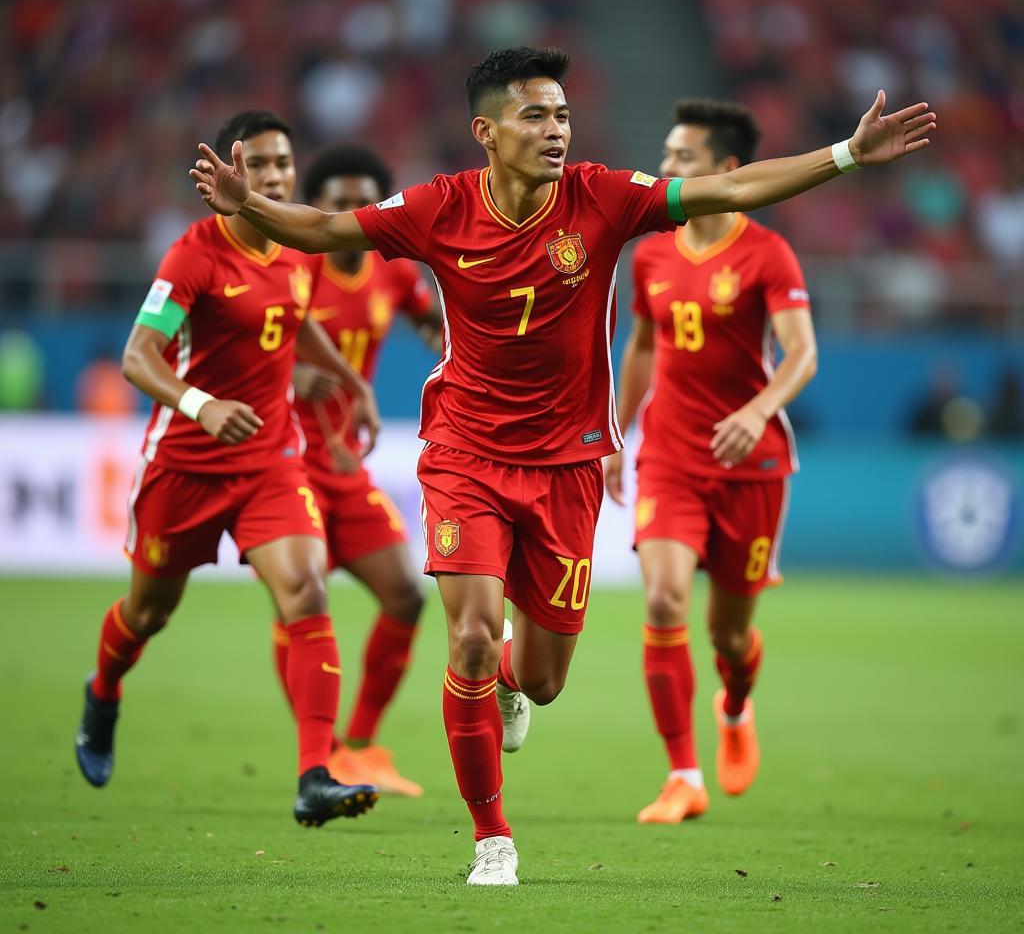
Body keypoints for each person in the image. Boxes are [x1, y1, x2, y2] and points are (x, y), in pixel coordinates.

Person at [189, 47, 936, 885]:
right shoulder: (438, 207)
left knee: (539, 680)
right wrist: (248, 203)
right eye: (536, 116)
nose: (556, 131)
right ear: (487, 131)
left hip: (568, 469)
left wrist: (845, 155)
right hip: (465, 455)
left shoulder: (604, 199)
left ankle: (513, 680)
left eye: (563, 116)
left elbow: (730, 190)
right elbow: (326, 230)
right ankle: (491, 839)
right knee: (470, 636)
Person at [76, 110, 383, 829]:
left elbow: (297, 316)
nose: (275, 177)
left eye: (283, 165)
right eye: (261, 165)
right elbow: (136, 358)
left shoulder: (299, 244)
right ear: (232, 170)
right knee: (149, 612)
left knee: (306, 588)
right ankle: (103, 692)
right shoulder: (194, 256)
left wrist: (349, 379)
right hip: (183, 465)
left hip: (270, 460)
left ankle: (315, 774)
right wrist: (199, 404)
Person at [602, 99, 818, 824]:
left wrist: (757, 410)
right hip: (669, 454)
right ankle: (682, 775)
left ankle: (735, 704)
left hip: (752, 463)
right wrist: (615, 431)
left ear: (726, 171)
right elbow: (639, 346)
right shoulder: (654, 250)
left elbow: (802, 355)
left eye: (682, 158)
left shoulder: (767, 252)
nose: (666, 169)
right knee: (663, 599)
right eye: (666, 154)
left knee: (728, 633)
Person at [275, 145, 443, 796]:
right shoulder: (294, 266)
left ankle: (364, 745)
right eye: (339, 202)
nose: (352, 212)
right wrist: (290, 372)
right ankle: (322, 754)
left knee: (405, 594)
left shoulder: (389, 272)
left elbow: (432, 323)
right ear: (320, 208)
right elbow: (237, 341)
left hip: (347, 466)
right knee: (298, 605)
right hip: (285, 464)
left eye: (362, 201)